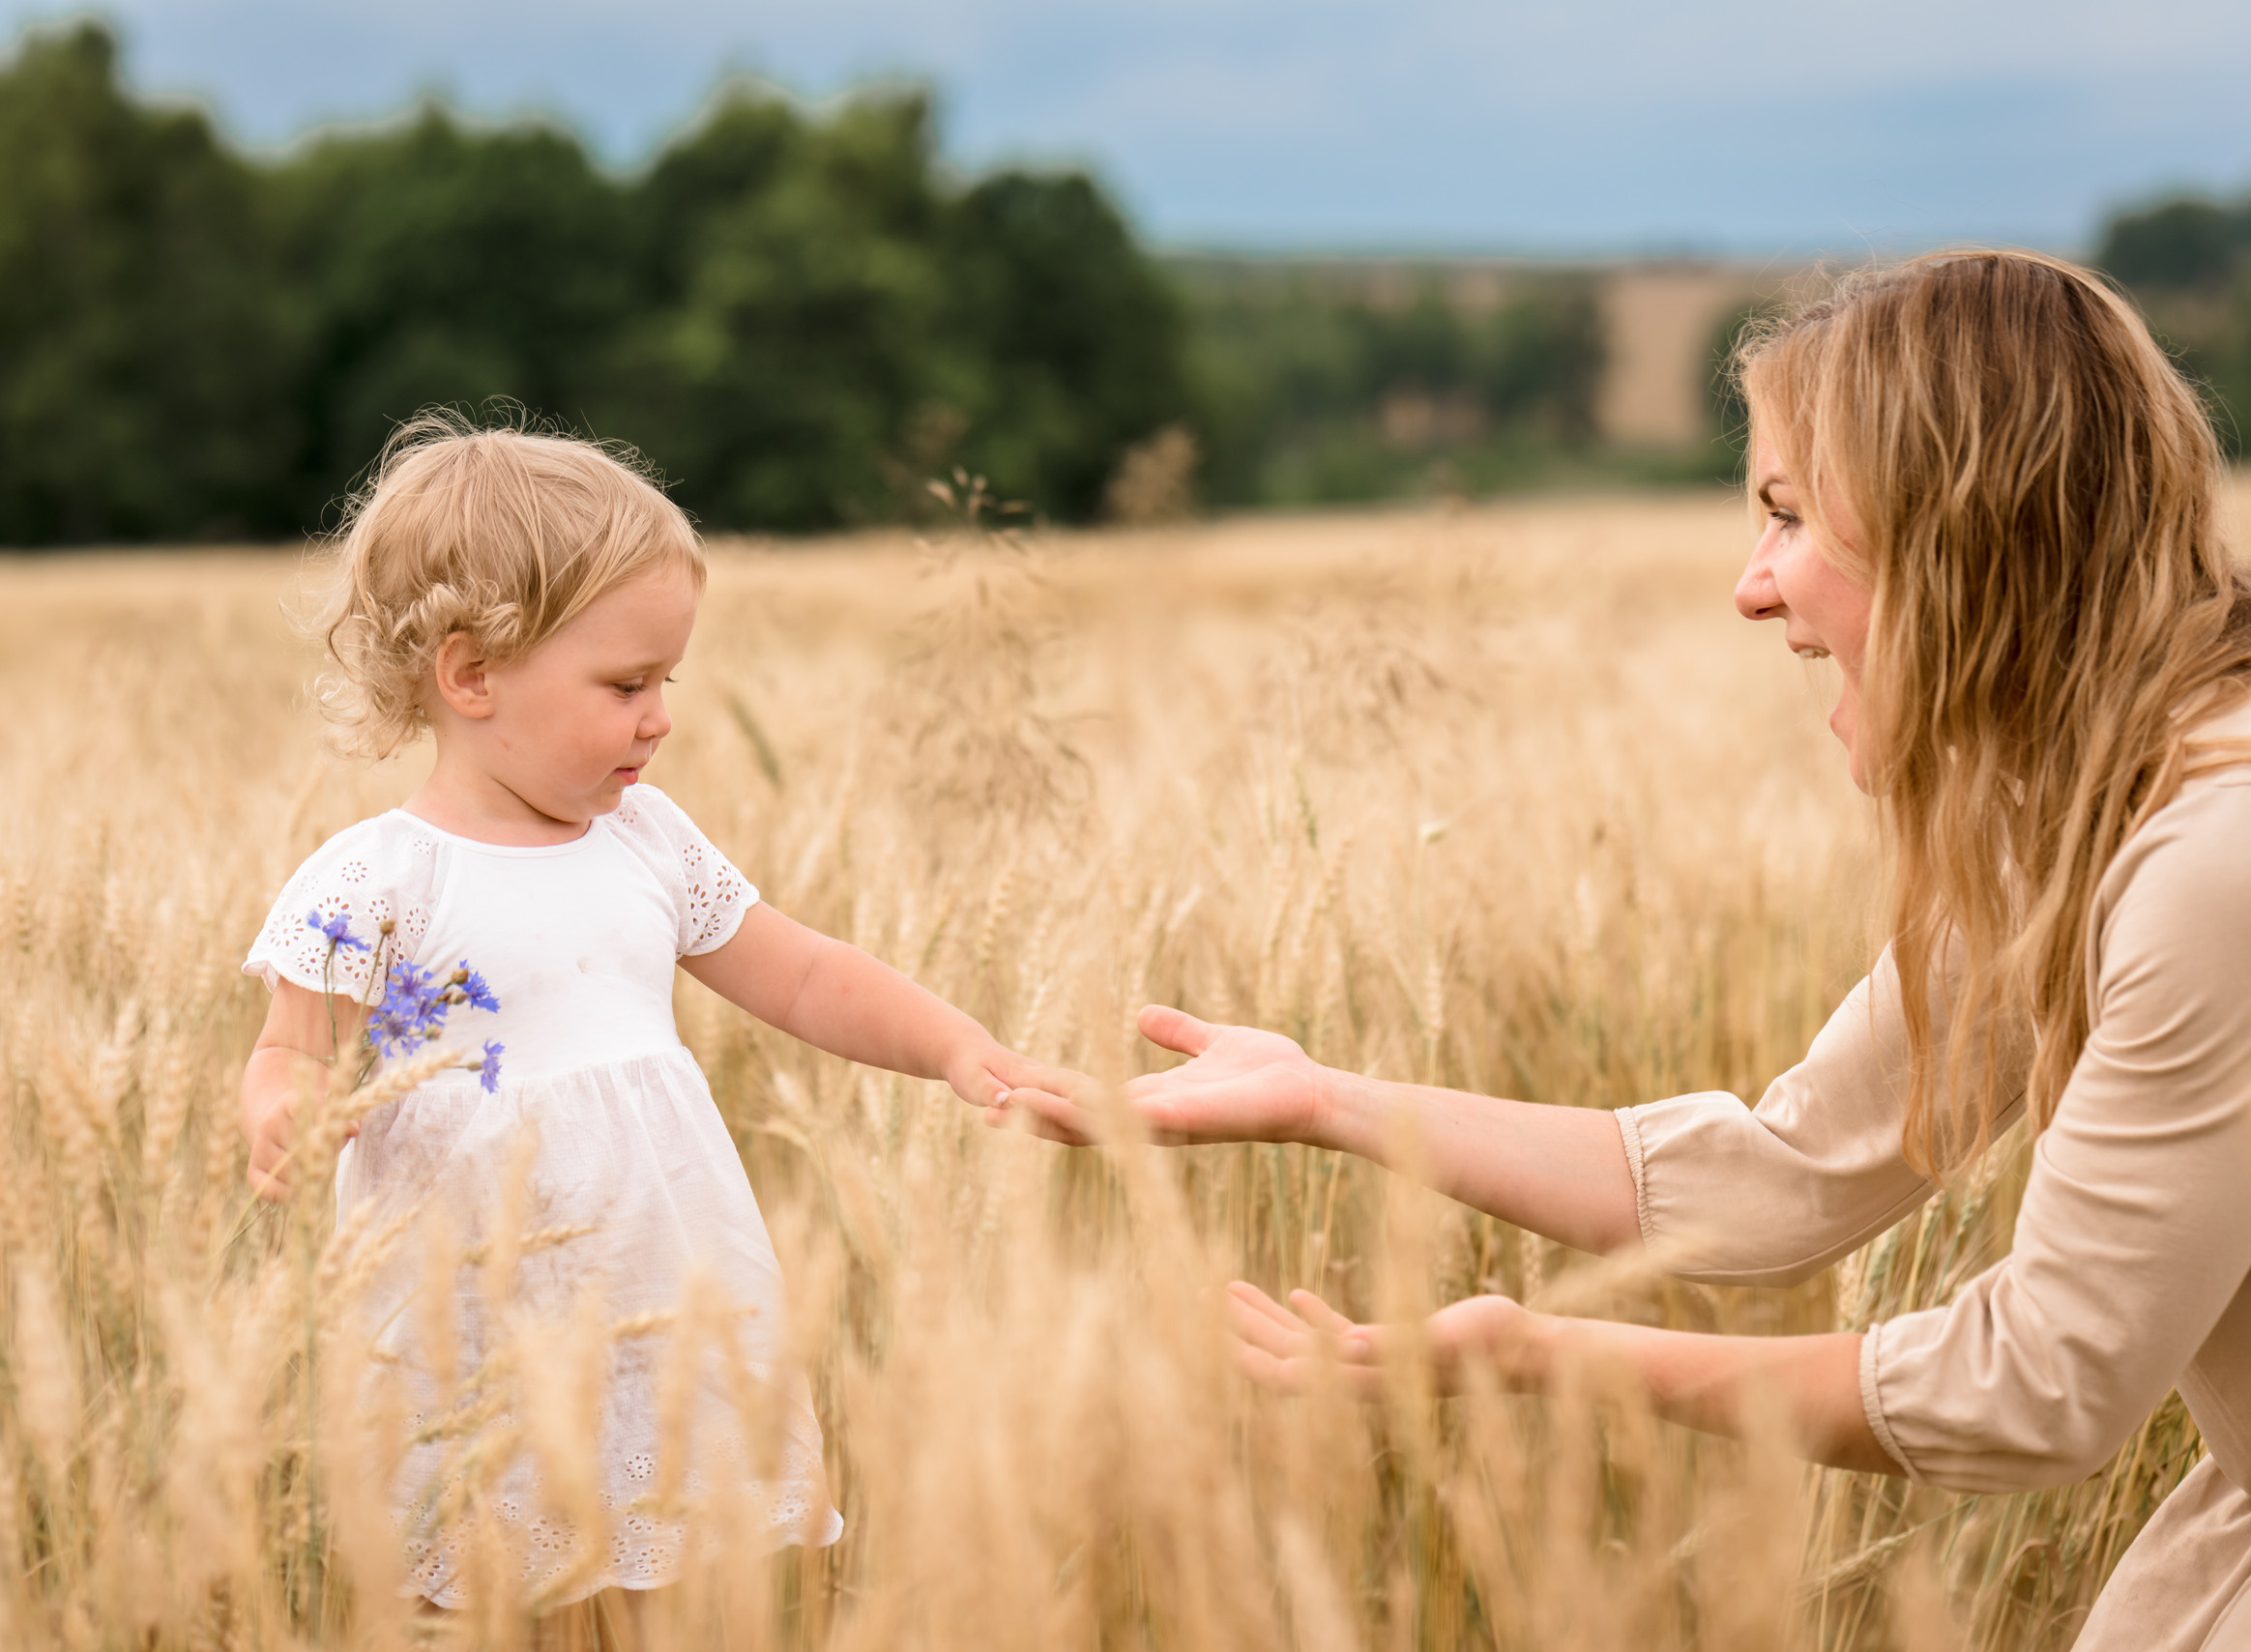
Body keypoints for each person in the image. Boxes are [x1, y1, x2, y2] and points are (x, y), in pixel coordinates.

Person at [1001, 250, 2251, 1648]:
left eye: (1786, 518)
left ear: (1959, 527)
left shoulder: (2214, 865)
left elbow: (2042, 1388)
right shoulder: (2075, 829)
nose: (1751, 587)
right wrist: (1326, 1100)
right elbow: (1784, 1175)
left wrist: (1546, 1351)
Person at [237, 419, 1068, 1628]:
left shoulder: (648, 840)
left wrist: (953, 1045)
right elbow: (287, 1047)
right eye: (626, 684)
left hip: (664, 1289)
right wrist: (286, 1111)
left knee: (673, 1574)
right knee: (496, 1581)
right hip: (481, 1311)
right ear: (470, 675)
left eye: (665, 680)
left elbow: (803, 972)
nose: (659, 715)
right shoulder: (375, 880)